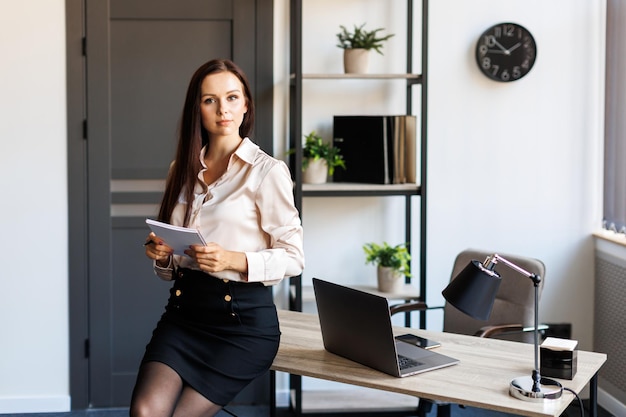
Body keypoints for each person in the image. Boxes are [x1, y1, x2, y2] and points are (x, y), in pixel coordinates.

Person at [130, 58, 305, 417]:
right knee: (145, 411)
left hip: (242, 324)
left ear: (245, 105)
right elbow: (172, 266)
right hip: (184, 315)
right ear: (197, 109)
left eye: (231, 97)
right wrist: (162, 254)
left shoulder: (267, 172)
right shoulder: (180, 169)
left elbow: (294, 256)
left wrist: (233, 260)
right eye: (209, 100)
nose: (222, 109)